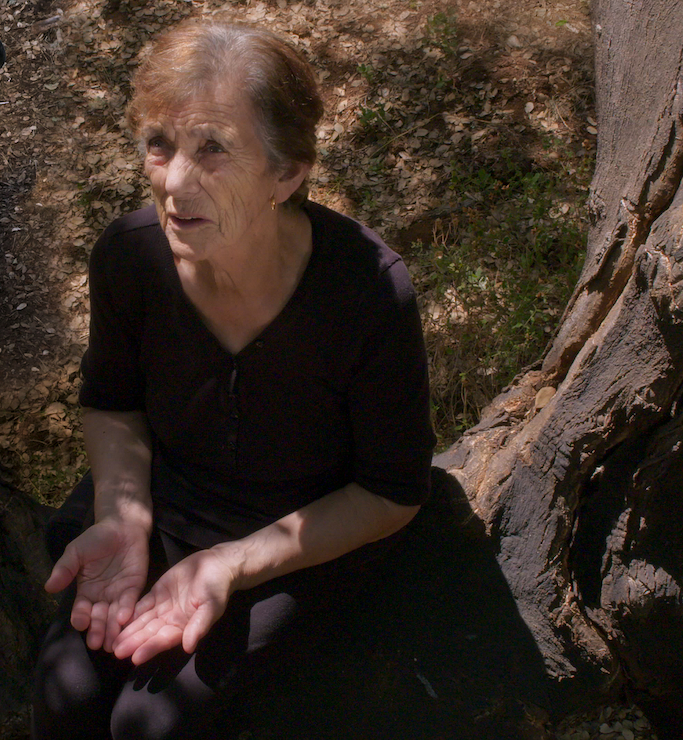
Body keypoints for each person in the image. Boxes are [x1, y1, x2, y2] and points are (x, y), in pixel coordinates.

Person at [31, 18, 435, 740]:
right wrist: (123, 515)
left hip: (294, 538)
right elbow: (113, 404)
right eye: (160, 144)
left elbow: (392, 492)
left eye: (212, 148)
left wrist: (232, 566)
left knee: (148, 726)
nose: (174, 181)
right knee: (63, 700)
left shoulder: (368, 292)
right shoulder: (130, 257)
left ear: (288, 172)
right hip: (164, 499)